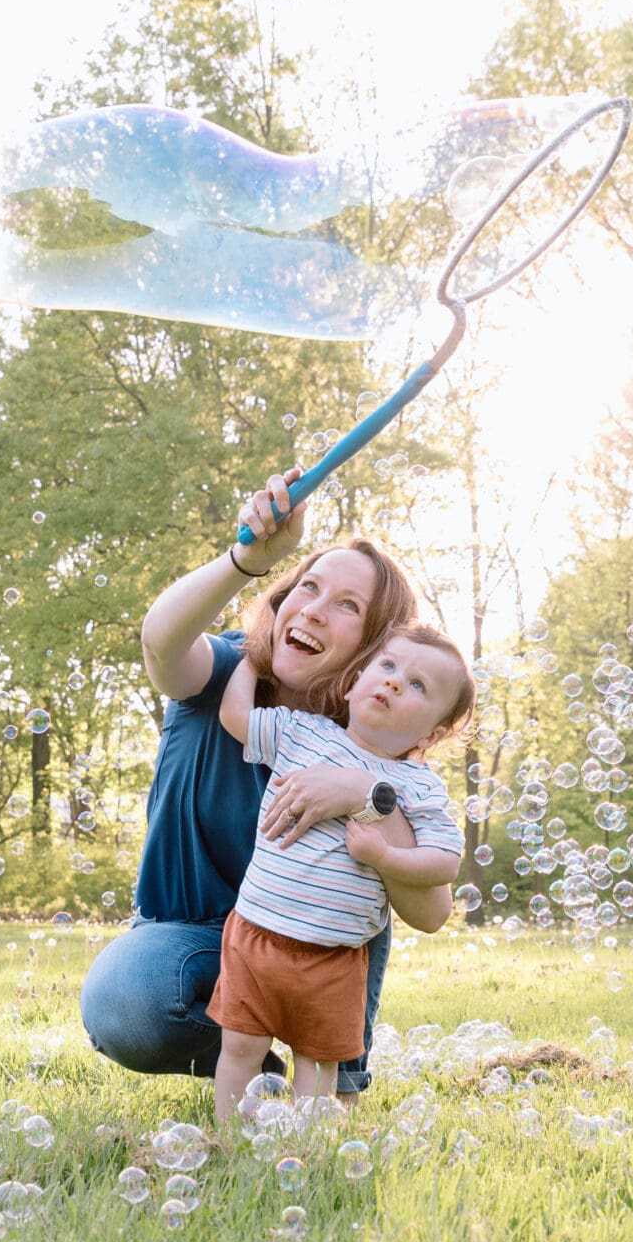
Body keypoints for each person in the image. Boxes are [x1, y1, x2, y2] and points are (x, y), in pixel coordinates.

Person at [78, 466, 454, 1098]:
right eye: (307, 586)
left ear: (372, 651)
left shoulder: (379, 748)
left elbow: (430, 909)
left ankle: (337, 1078)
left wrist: (364, 798)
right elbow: (159, 641)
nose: (312, 610)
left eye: (348, 606)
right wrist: (244, 558)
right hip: (197, 938)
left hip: (316, 943)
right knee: (127, 1003)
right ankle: (258, 1072)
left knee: (371, 870)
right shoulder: (226, 674)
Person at [208, 622, 470, 1117]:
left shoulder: (418, 787)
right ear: (351, 684)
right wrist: (251, 657)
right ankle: (228, 1139)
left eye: (417, 685)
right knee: (240, 1048)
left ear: (431, 734)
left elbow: (444, 862)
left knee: (316, 1065)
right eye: (388, 667)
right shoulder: (303, 733)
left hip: (334, 955)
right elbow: (235, 714)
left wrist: (385, 857)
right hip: (255, 934)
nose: (394, 682)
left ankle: (308, 1150)